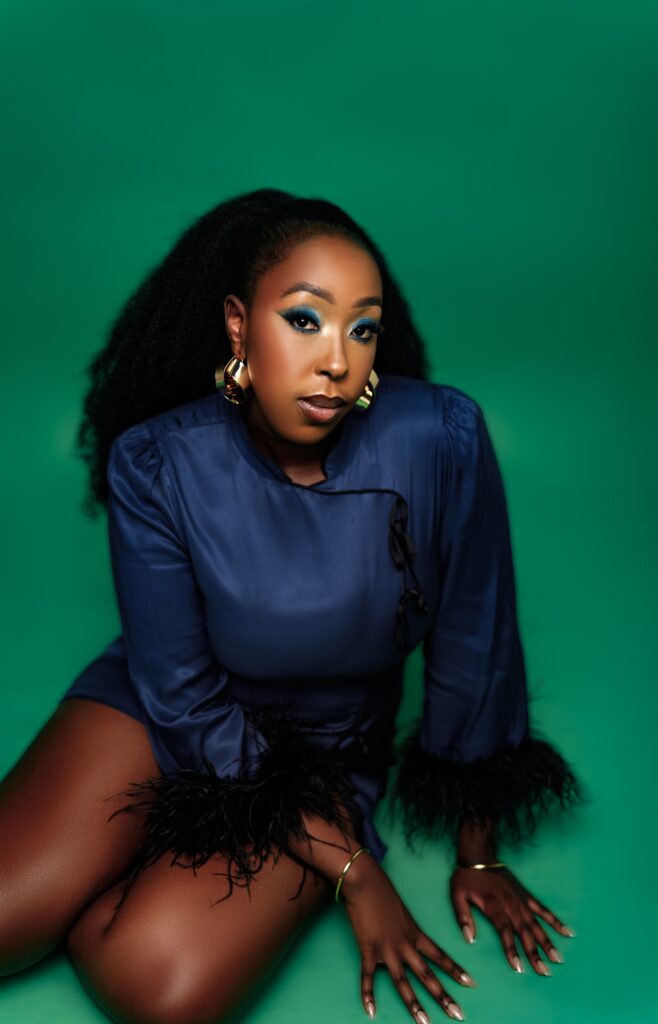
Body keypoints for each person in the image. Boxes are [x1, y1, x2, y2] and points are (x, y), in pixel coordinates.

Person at [0, 188, 585, 1024]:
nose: (337, 361)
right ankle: (97, 862)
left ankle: (129, 871)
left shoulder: (441, 438)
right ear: (239, 326)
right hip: (163, 709)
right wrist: (358, 874)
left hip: (316, 753)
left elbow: (476, 645)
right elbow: (181, 694)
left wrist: (478, 855)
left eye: (362, 328)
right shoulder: (158, 462)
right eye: (304, 320)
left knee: (155, 991)